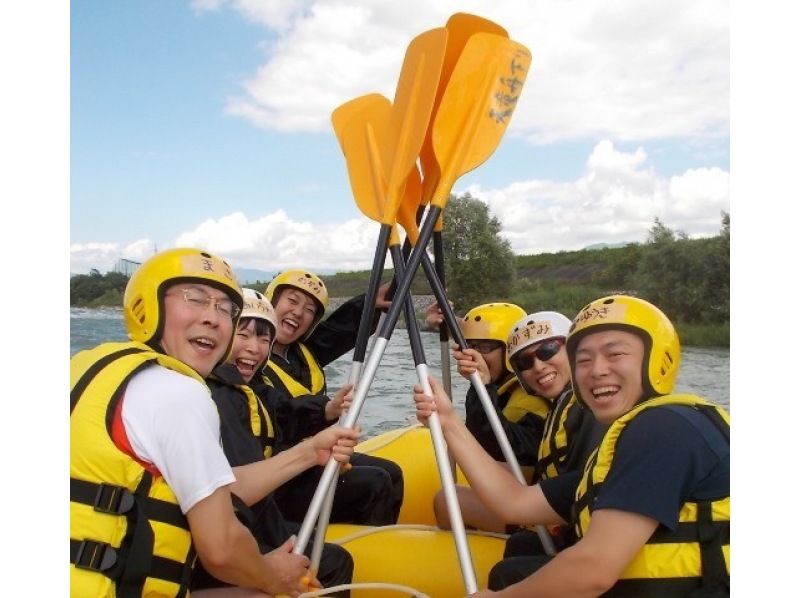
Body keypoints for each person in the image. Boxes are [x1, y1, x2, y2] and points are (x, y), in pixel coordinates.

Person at [70, 248, 359, 597]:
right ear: (148, 305)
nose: (213, 317)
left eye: (225, 308)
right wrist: (273, 576)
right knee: (285, 589)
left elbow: (215, 488)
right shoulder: (178, 392)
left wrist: (310, 451)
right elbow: (222, 549)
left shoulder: (90, 365)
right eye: (195, 298)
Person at [413, 295, 729, 596]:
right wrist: (448, 420)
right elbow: (515, 502)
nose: (596, 369)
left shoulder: (667, 429)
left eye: (615, 354)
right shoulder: (617, 453)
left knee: (511, 574)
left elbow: (594, 569)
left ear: (659, 358)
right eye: (584, 359)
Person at [193, 288, 354, 595]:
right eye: (244, 335)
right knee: (333, 561)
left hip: (254, 512)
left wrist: (328, 410)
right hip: (230, 530)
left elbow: (283, 412)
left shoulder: (247, 389)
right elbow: (232, 495)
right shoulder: (219, 396)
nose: (255, 348)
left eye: (264, 339)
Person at [255, 269, 403, 525]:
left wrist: (369, 302)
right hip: (278, 476)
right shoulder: (249, 358)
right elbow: (277, 411)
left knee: (393, 472)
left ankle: (375, 543)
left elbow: (340, 328)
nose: (299, 312)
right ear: (270, 302)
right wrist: (327, 409)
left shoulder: (305, 353)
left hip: (313, 458)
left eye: (310, 309)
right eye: (292, 300)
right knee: (375, 482)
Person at [425, 302, 551, 532]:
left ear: (511, 351)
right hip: (530, 497)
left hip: (538, 514)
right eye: (470, 346)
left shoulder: (529, 398)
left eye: (484, 348)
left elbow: (494, 445)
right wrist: (450, 320)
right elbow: (488, 333)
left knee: (445, 501)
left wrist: (479, 385)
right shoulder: (507, 383)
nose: (474, 355)